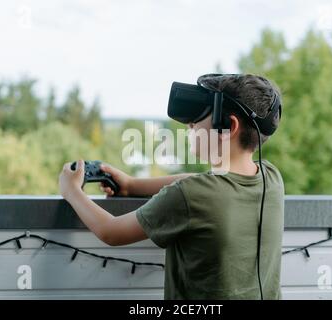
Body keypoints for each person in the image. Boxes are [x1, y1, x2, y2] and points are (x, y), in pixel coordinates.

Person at [59, 73, 285, 299]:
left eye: (199, 116)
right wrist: (131, 185)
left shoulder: (191, 195)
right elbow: (202, 181)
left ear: (229, 126)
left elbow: (111, 232)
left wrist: (72, 191)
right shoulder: (271, 178)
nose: (190, 124)